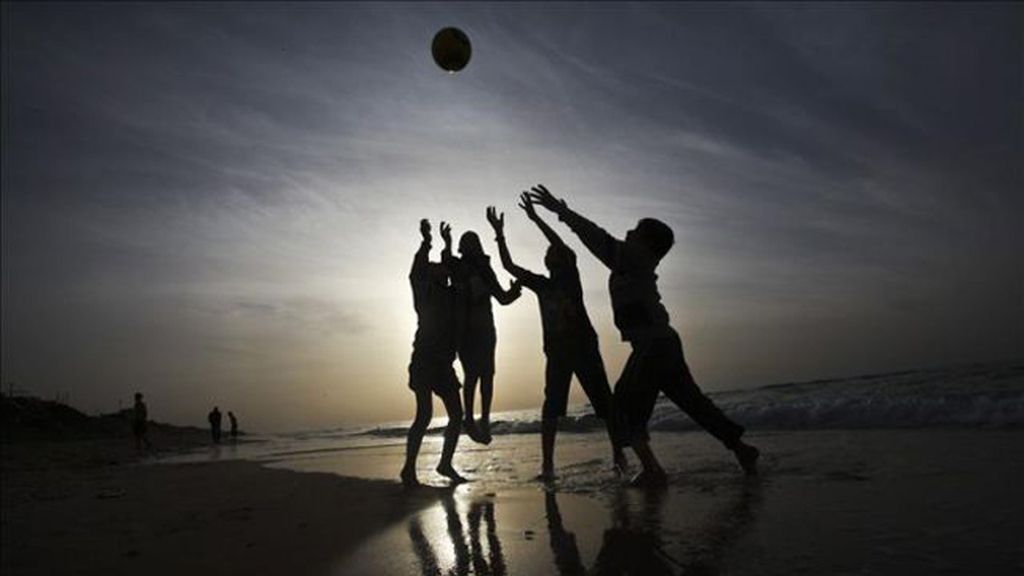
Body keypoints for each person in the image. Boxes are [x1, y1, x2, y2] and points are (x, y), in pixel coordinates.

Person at [527, 184, 760, 487]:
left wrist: (562, 212)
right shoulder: (633, 261)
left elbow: (595, 236)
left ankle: (652, 470)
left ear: (647, 245)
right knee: (692, 403)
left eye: (636, 231)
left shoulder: (634, 260)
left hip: (653, 347)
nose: (629, 232)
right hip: (663, 345)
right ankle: (742, 450)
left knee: (621, 406)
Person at [486, 196, 627, 480]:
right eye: (551, 253)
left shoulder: (570, 277)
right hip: (558, 352)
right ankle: (547, 466)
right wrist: (499, 234)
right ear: (547, 262)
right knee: (551, 407)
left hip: (584, 346)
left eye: (558, 251)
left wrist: (536, 218)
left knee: (605, 403)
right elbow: (509, 266)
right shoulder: (541, 284)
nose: (555, 252)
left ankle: (619, 455)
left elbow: (559, 241)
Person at [400, 219, 468, 486]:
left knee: (456, 415)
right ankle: (409, 469)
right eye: (436, 267)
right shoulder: (424, 292)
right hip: (424, 360)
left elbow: (451, 265)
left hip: (444, 364)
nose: (442, 269)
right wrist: (427, 242)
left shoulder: (452, 294)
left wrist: (448, 244)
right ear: (431, 273)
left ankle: (445, 464)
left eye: (442, 267)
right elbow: (415, 273)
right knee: (424, 415)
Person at [443, 222, 522, 444]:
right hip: (465, 332)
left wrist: (515, 292)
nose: (470, 247)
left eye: (473, 243)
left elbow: (502, 297)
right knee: (472, 376)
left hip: (486, 329)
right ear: (462, 248)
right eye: (466, 244)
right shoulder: (456, 267)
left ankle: (485, 419)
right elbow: (444, 263)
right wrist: (446, 243)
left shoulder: (485, 270)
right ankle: (469, 418)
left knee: (488, 375)